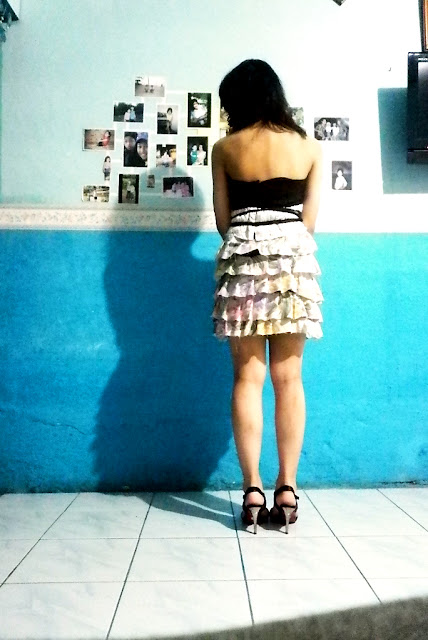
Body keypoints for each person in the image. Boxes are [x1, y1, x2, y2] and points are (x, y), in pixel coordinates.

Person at [211, 59, 323, 534]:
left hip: (243, 265)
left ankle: (253, 489)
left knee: (247, 378)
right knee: (289, 379)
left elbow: (223, 221)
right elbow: (308, 223)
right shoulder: (309, 147)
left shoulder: (224, 149)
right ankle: (287, 488)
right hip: (292, 266)